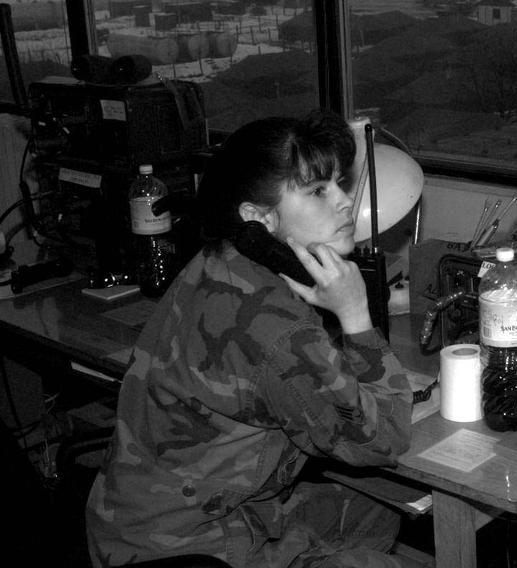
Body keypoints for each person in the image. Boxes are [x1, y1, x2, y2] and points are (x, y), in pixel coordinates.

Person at [85, 111, 419, 568]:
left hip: (139, 519)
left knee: (374, 514)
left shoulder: (222, 258)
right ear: (257, 217)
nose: (345, 202)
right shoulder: (279, 329)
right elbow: (385, 439)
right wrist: (355, 315)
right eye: (318, 191)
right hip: (191, 548)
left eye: (340, 183)